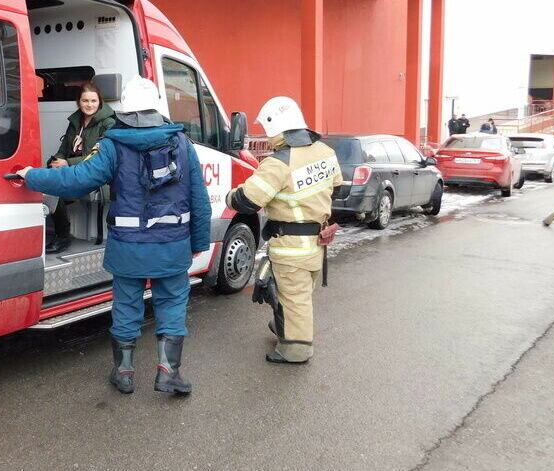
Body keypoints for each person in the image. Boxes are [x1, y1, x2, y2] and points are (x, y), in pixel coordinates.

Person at [18, 77, 210, 395]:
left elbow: (77, 179)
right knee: (172, 304)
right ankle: (168, 372)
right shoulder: (182, 144)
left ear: (124, 108)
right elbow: (199, 199)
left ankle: (124, 373)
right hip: (172, 244)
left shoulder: (112, 144)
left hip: (128, 247)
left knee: (126, 305)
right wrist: (199, 242)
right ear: (156, 107)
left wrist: (32, 176)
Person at [225, 96, 342, 364]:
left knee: (294, 298)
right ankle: (284, 328)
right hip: (316, 243)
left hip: (291, 247)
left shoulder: (279, 163)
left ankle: (295, 350)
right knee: (299, 295)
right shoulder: (325, 152)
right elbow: (335, 188)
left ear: (275, 126)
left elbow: (248, 201)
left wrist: (230, 196)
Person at [45, 83, 116, 254]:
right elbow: (63, 150)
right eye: (85, 101)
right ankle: (48, 233)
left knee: (55, 189)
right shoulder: (75, 122)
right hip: (73, 171)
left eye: (93, 101)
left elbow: (101, 157)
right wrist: (55, 161)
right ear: (79, 102)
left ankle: (63, 236)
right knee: (44, 183)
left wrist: (68, 163)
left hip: (97, 176)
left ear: (100, 102)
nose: (89, 105)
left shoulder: (108, 123)